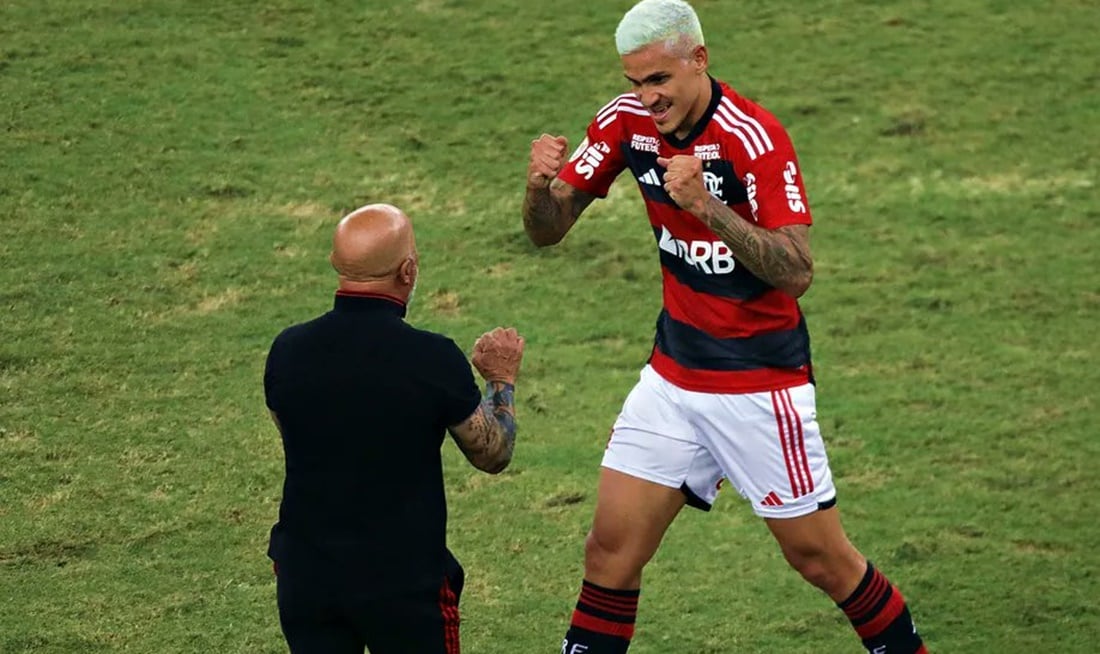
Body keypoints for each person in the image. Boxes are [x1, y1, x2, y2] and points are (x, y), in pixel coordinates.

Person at [522, 1, 928, 652]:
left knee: (822, 561)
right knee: (608, 556)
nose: (646, 97)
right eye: (634, 82)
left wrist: (706, 207)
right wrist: (539, 188)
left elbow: (796, 272)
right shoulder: (626, 124)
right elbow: (548, 231)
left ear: (699, 60)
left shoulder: (752, 138)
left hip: (760, 384)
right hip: (673, 380)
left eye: (659, 80)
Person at [263, 203, 525, 654]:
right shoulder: (432, 358)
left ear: (335, 264)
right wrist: (500, 379)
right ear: (408, 270)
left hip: (307, 575)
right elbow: (493, 453)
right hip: (403, 584)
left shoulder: (287, 351)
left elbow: (294, 436)